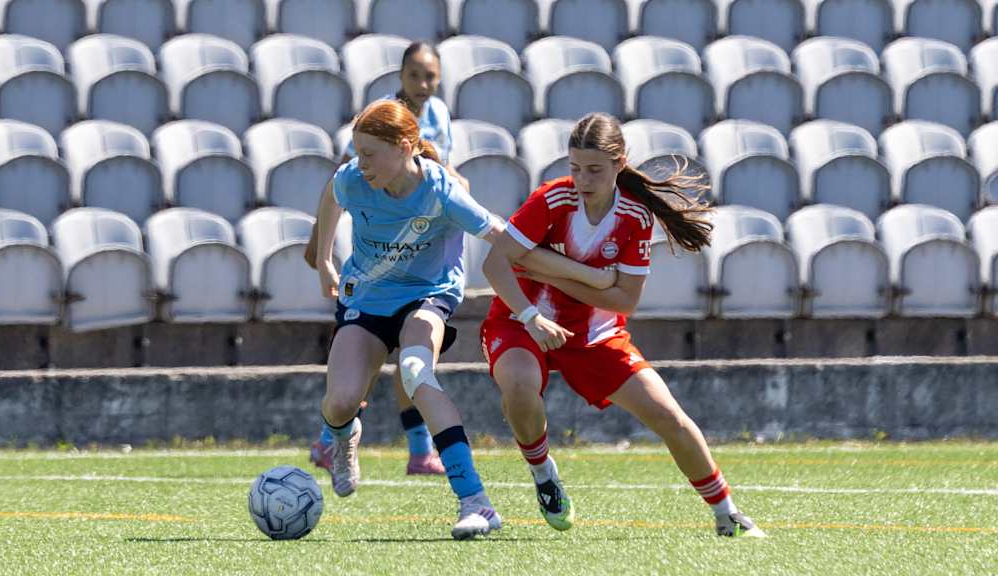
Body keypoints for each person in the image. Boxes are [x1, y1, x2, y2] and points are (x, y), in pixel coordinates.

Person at [480, 113, 766, 538]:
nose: (582, 179)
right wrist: (534, 313)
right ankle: (544, 475)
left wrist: (552, 271)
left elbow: (623, 300)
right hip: (521, 320)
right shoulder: (551, 200)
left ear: (619, 163)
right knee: (519, 390)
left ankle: (728, 514)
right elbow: (495, 263)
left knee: (668, 415)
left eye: (594, 169)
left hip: (595, 334)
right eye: (575, 168)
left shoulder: (635, 217)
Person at [305, 41, 468, 476]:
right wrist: (321, 250)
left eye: (430, 76)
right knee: (373, 355)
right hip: (382, 259)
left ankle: (407, 449)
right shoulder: (386, 118)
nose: (423, 84)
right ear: (400, 76)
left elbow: (440, 176)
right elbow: (346, 177)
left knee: (408, 361)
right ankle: (338, 439)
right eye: (414, 75)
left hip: (420, 254)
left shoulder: (440, 115)